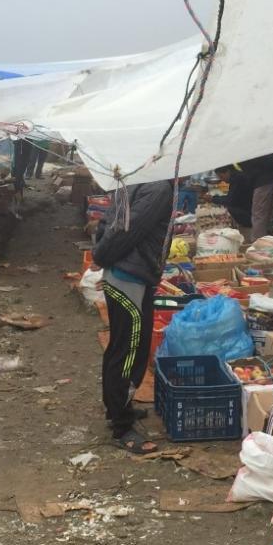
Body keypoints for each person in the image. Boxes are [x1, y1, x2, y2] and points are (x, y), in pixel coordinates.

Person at [93, 181, 175, 454]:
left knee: (123, 346)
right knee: (130, 352)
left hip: (128, 274)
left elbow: (110, 221)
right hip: (130, 278)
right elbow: (126, 229)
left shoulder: (136, 178)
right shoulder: (159, 188)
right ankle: (122, 427)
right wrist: (103, 255)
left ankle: (118, 407)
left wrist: (104, 253)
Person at [240, 152, 273, 239]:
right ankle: (267, 241)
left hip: (264, 177)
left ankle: (258, 246)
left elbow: (259, 154)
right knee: (265, 213)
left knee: (259, 215)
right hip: (266, 175)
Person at [214, 165, 253, 234]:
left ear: (228, 172)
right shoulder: (237, 178)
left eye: (221, 177)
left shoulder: (238, 179)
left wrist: (213, 199)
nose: (222, 180)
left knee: (230, 208)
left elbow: (230, 200)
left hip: (248, 214)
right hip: (248, 210)